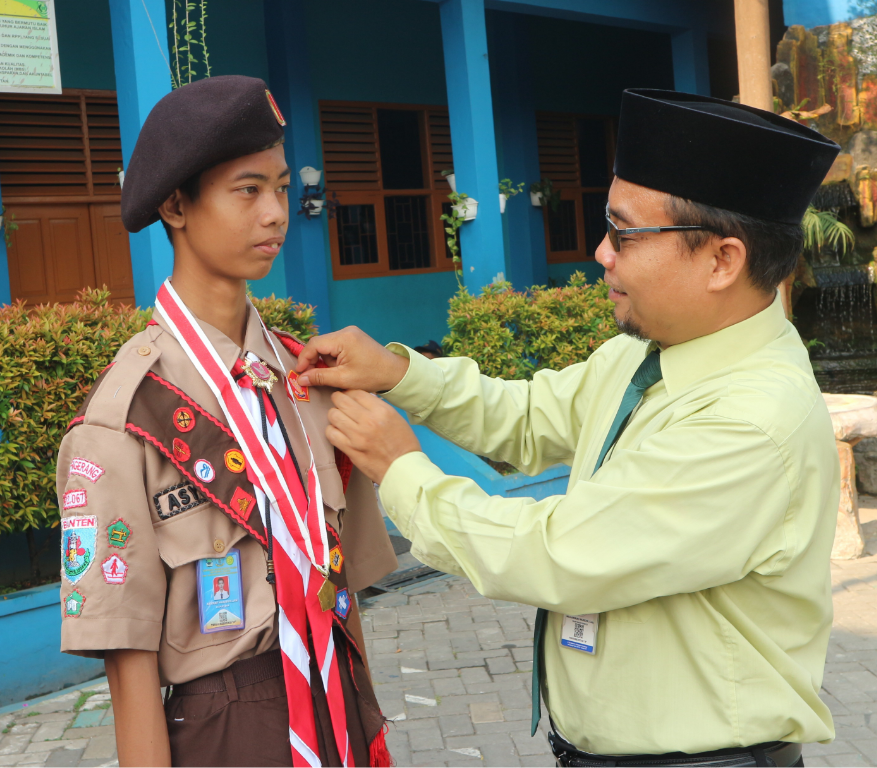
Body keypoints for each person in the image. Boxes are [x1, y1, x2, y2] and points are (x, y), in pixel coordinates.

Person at [293, 89, 843, 767]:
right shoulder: (649, 355)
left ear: (721, 261)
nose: (601, 253)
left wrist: (404, 470)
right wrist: (399, 376)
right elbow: (525, 418)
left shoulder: (753, 421)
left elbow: (558, 554)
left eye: (625, 233)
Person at [56, 75, 398, 768]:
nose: (275, 213)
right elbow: (128, 664)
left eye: (280, 187)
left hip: (338, 705)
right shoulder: (125, 419)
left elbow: (342, 590)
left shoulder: (307, 382)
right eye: (248, 190)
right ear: (176, 205)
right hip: (226, 731)